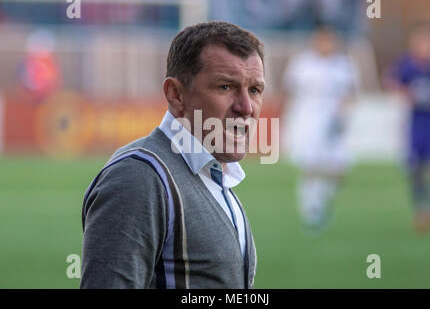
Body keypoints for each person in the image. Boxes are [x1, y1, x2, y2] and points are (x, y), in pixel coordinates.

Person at [81, 21, 265, 288]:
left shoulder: (216, 176)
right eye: (225, 87)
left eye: (255, 90)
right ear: (176, 95)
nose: (246, 107)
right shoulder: (139, 178)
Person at [282, 25, 359, 234]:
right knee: (310, 166)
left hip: (334, 121)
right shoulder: (302, 62)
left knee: (338, 169)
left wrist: (343, 117)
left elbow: (351, 93)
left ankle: (322, 202)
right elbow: (290, 90)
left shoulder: (343, 64)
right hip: (308, 120)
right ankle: (311, 210)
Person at [385, 23, 430, 233]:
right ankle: (421, 212)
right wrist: (405, 93)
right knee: (417, 168)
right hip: (414, 122)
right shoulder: (407, 64)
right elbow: (390, 80)